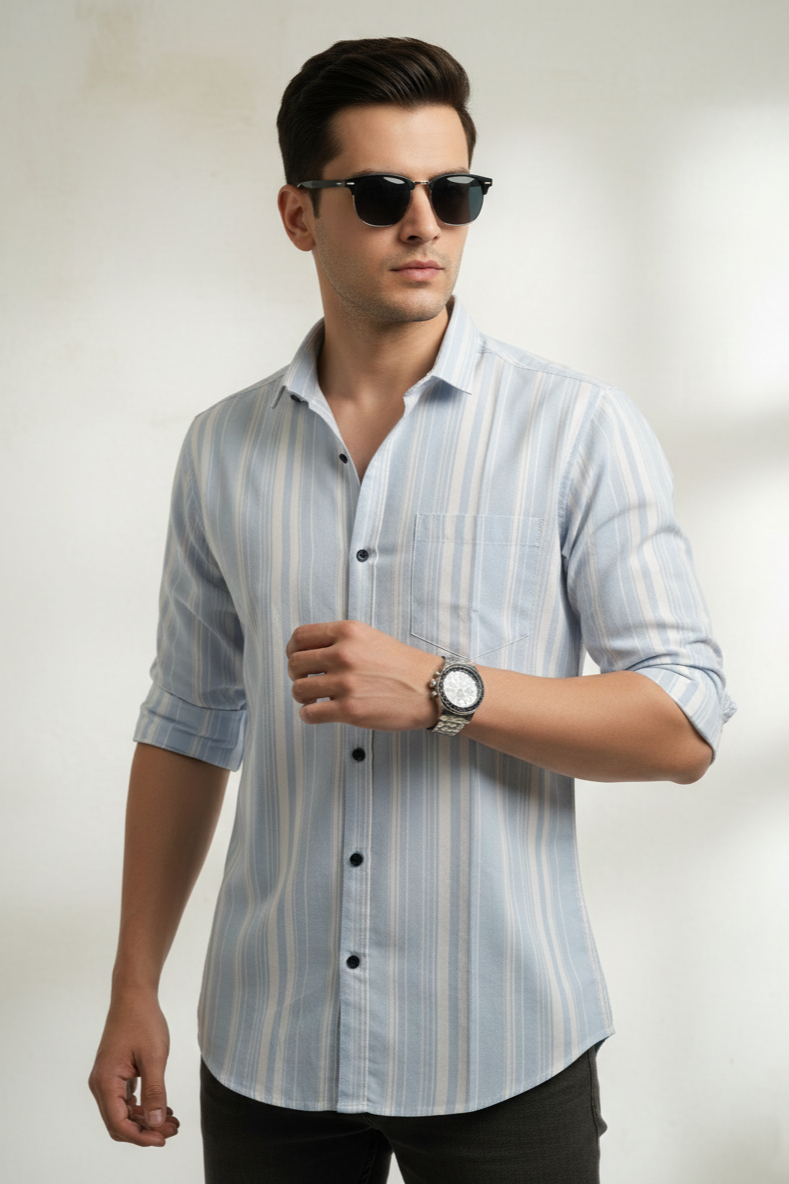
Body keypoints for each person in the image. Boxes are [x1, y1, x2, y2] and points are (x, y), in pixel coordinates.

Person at [89, 36, 734, 1184]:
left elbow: (683, 723)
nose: (425, 224)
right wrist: (134, 980)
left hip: (505, 1045)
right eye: (383, 193)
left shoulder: (576, 429)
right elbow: (189, 721)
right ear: (300, 214)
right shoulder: (222, 448)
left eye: (455, 191)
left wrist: (446, 689)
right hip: (270, 1046)